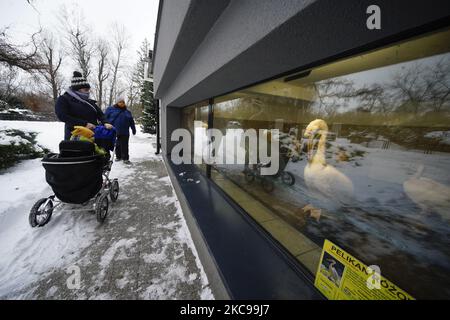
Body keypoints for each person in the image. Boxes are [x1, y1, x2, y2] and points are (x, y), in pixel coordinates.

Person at [55, 71, 113, 140]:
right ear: (77, 89)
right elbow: (62, 116)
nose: (88, 92)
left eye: (88, 89)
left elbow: (100, 114)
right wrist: (84, 124)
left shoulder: (89, 102)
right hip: (74, 136)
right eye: (86, 90)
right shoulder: (64, 99)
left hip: (93, 135)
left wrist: (105, 122)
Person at [105, 97, 136, 164]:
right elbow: (105, 119)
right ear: (117, 102)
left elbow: (131, 121)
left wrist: (133, 129)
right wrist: (104, 126)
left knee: (125, 145)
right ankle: (118, 156)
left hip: (125, 131)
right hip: (114, 131)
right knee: (117, 145)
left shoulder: (127, 112)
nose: (122, 103)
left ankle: (125, 158)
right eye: (120, 102)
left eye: (123, 102)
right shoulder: (110, 109)